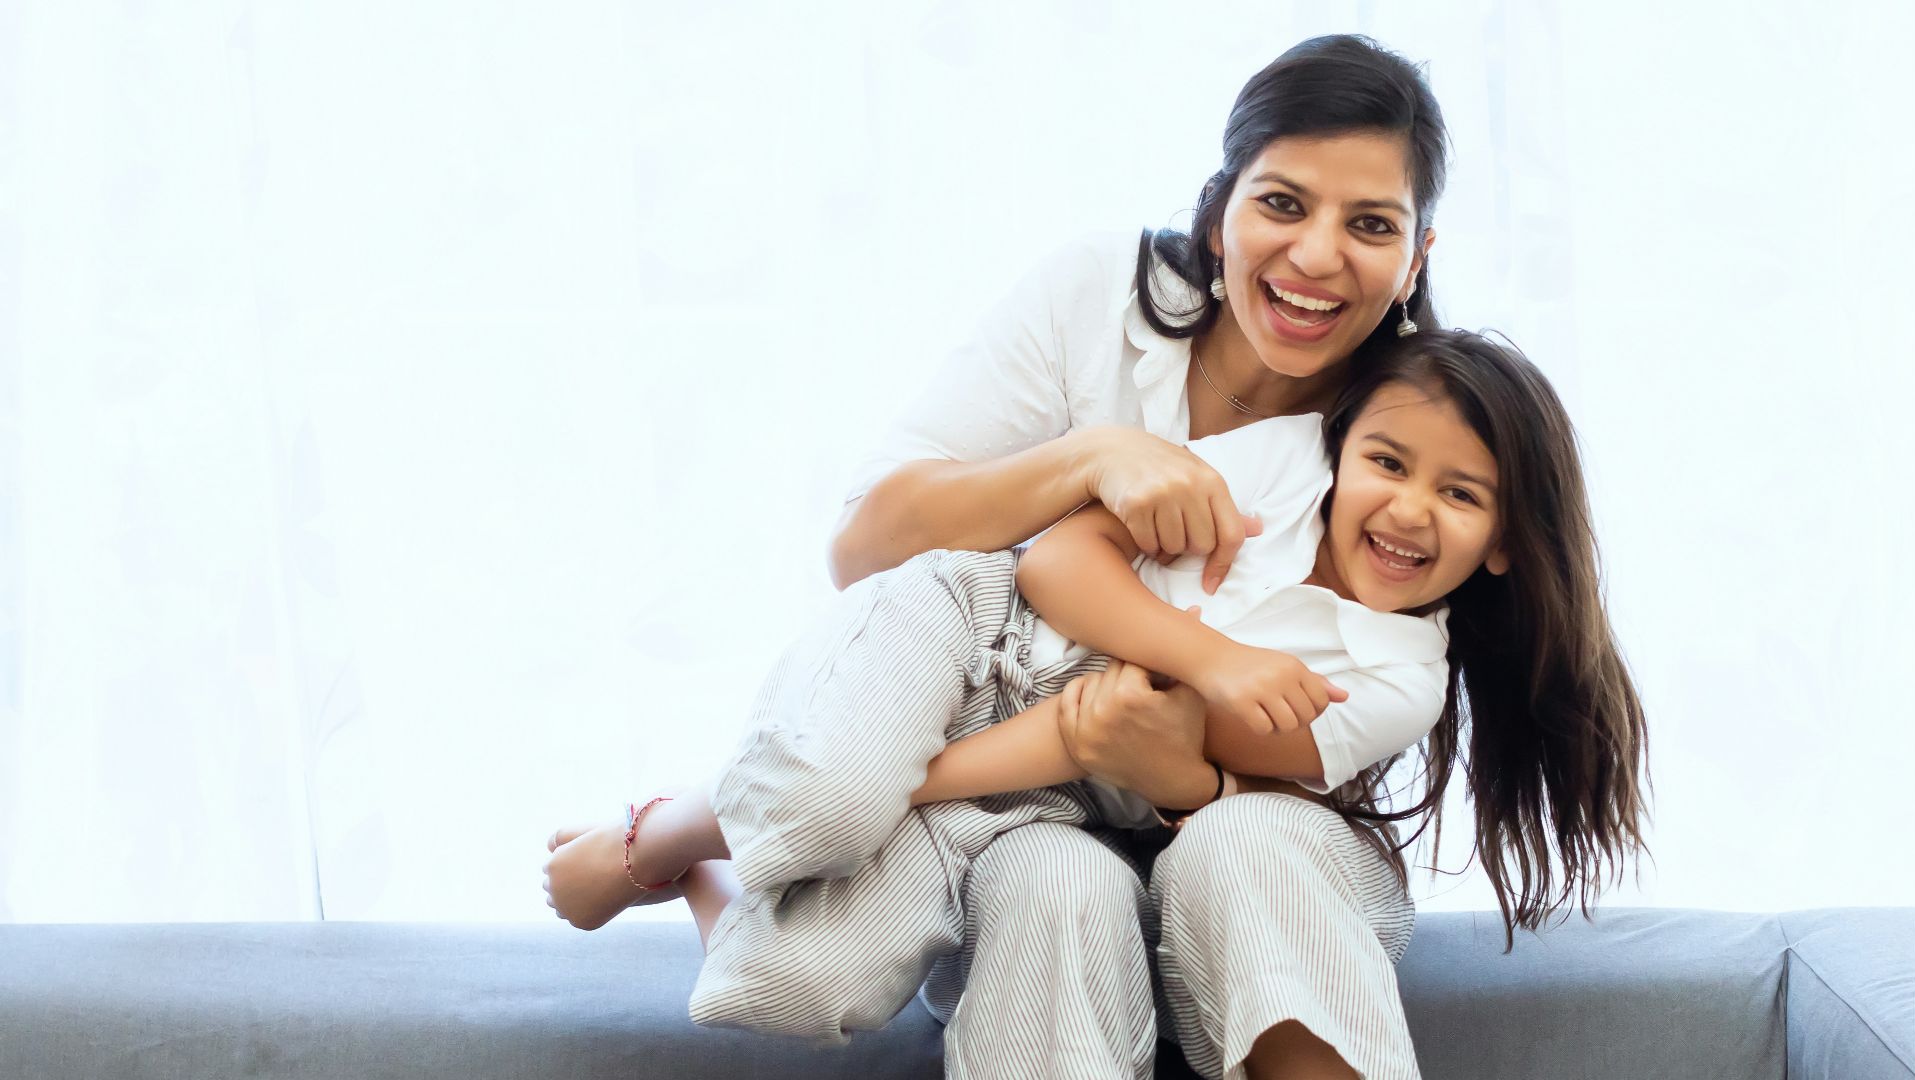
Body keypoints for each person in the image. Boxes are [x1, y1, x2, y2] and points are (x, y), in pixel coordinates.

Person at [547, 34, 1649, 1080]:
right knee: (956, 896)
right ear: (1218, 211)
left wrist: (1185, 773)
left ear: (1417, 256)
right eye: (1281, 203)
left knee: (1234, 842)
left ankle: (716, 832)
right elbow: (878, 551)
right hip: (1009, 748)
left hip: (1204, 815)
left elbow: (1215, 738)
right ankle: (674, 834)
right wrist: (1092, 458)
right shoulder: (1175, 359)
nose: (1318, 255)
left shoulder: (1399, 426)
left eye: (1370, 224)